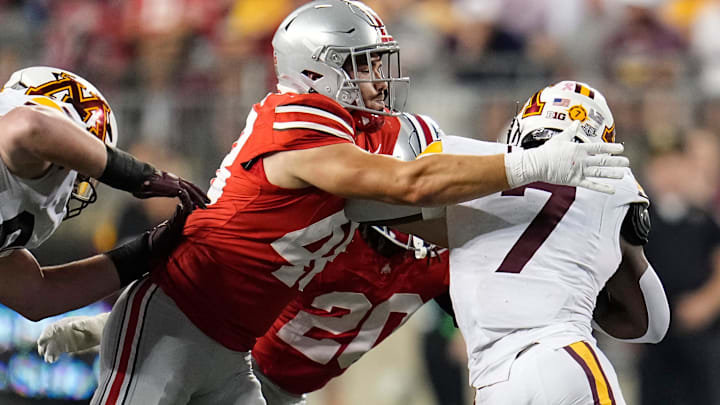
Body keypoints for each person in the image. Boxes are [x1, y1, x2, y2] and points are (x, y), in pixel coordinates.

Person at [54, 1, 628, 403]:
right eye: (363, 65)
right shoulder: (308, 137)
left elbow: (504, 289)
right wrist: (123, 324)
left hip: (251, 367)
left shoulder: (426, 249)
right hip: (221, 341)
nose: (378, 80)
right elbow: (222, 264)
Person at [422, 81, 670, 404]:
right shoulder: (613, 183)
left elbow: (377, 205)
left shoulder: (453, 159)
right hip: (563, 357)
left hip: (493, 386)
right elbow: (652, 324)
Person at [0, 66, 209, 321]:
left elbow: (38, 295)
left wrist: (148, 250)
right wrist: (140, 175)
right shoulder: (22, 132)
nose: (80, 184)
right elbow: (33, 126)